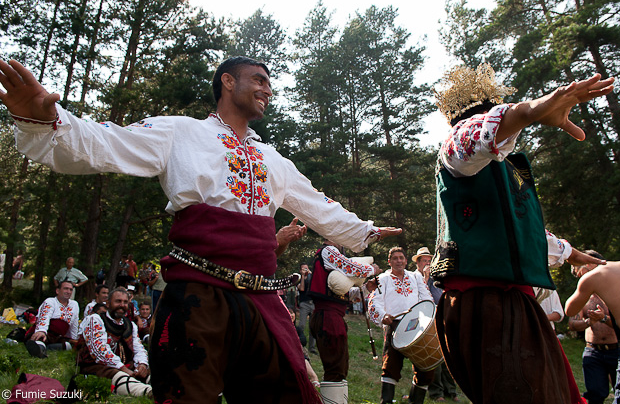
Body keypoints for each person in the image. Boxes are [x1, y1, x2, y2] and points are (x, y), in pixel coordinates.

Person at [1, 56, 401, 404]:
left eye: (269, 84)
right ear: (227, 81)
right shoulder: (180, 132)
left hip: (261, 299)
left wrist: (364, 231)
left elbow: (316, 203)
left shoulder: (272, 158)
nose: (268, 89)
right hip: (198, 297)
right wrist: (44, 121)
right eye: (259, 80)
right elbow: (108, 142)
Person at [431, 63, 613, 404]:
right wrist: (533, 110)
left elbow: (525, 230)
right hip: (486, 301)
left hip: (513, 301)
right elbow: (478, 132)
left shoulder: (508, 170)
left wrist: (572, 254)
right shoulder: (457, 145)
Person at [309, 238, 382, 404]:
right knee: (335, 369)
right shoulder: (329, 251)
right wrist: (372, 269)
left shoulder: (332, 260)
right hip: (328, 317)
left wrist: (366, 288)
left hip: (331, 316)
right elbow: (351, 267)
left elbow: (344, 294)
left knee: (340, 368)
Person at [566, 259, 620, 404]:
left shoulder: (593, 276)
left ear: (587, 263)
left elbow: (570, 310)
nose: (577, 275)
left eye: (577, 271)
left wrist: (584, 286)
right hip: (599, 348)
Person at [368, 247, 434, 404]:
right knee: (391, 365)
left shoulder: (416, 277)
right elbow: (374, 301)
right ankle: (386, 401)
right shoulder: (382, 279)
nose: (398, 261)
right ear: (389, 262)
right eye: (395, 258)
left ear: (405, 260)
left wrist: (429, 317)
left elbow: (426, 298)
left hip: (417, 326)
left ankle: (415, 401)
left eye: (401, 258)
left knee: (425, 366)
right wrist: (383, 315)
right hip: (395, 325)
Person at [76, 287, 151, 397]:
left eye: (125, 302)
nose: (122, 305)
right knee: (118, 375)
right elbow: (100, 351)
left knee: (147, 372)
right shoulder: (95, 319)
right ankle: (147, 392)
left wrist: (142, 365)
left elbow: (139, 348)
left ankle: (163, 388)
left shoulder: (130, 325)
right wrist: (123, 369)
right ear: (108, 303)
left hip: (124, 365)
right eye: (118, 301)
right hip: (98, 366)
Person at [567, 251, 618, 404]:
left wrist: (603, 318)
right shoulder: (582, 295)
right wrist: (590, 322)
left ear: (590, 264)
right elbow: (572, 324)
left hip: (616, 350)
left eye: (578, 269)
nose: (576, 274)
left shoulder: (613, 293)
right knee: (595, 394)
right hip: (593, 352)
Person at [412, 247, 458, 402]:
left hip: (441, 316)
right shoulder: (414, 277)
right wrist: (425, 277)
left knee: (446, 354)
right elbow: (418, 296)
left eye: (429, 261)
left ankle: (451, 390)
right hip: (425, 319)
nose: (427, 263)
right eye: (424, 260)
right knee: (433, 356)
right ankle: (436, 392)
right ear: (418, 263)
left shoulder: (435, 278)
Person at [24, 280, 79, 358]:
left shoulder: (74, 304)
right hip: (46, 332)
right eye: (65, 289)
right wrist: (42, 331)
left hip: (59, 337)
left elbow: (74, 324)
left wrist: (73, 338)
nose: (68, 291)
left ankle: (49, 347)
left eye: (70, 290)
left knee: (70, 345)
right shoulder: (50, 301)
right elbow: (44, 317)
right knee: (40, 339)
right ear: (57, 291)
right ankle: (40, 350)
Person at [298, 262, 317, 354]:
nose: (305, 270)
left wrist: (311, 275)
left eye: (306, 268)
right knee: (301, 325)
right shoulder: (298, 278)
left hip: (313, 303)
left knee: (313, 326)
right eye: (303, 269)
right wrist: (302, 276)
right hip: (304, 304)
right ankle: (299, 344)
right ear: (300, 270)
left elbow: (316, 286)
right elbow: (301, 288)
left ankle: (312, 347)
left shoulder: (312, 277)